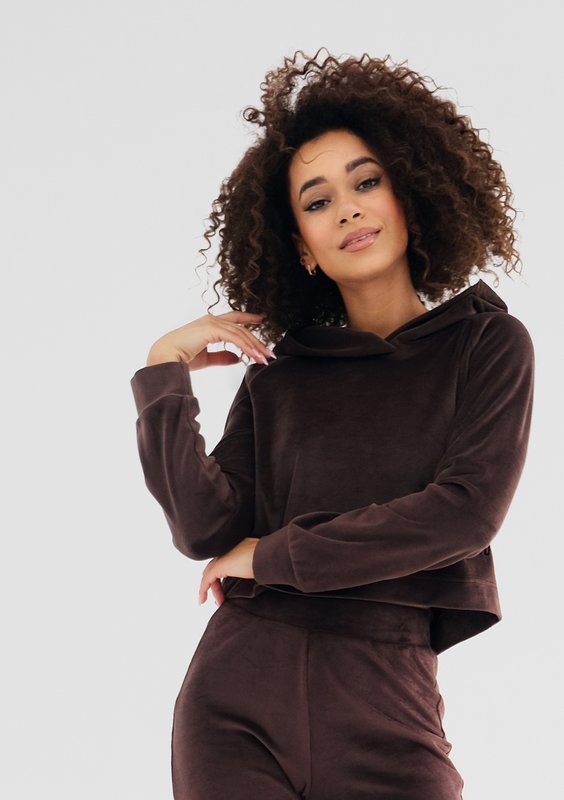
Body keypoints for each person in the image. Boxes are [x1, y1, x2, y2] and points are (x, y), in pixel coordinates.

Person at [130, 48, 535, 800]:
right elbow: (205, 530)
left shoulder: (486, 344)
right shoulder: (281, 372)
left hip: (388, 698)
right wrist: (163, 374)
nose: (347, 208)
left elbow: (464, 512)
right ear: (302, 249)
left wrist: (275, 556)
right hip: (236, 699)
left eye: (367, 182)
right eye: (317, 202)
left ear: (410, 196)